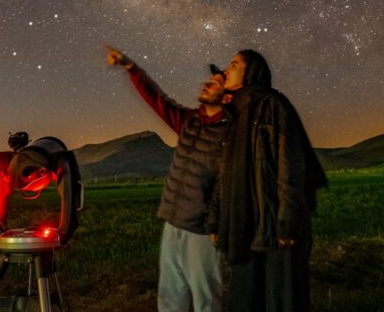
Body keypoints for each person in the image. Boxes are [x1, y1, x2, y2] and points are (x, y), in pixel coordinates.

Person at [105, 45, 230, 312]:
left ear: (228, 97)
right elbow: (157, 99)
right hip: (173, 220)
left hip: (203, 230)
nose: (207, 83)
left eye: (217, 83)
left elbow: (228, 183)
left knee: (206, 298)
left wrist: (216, 222)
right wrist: (131, 67)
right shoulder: (189, 121)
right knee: (170, 297)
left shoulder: (231, 133)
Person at [208, 50, 327, 312]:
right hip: (243, 224)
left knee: (283, 299)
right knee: (244, 299)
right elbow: (223, 173)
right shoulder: (233, 116)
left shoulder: (273, 106)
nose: (226, 70)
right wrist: (215, 218)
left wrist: (287, 220)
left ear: (252, 72)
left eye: (234, 64)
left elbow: (291, 164)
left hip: (274, 224)